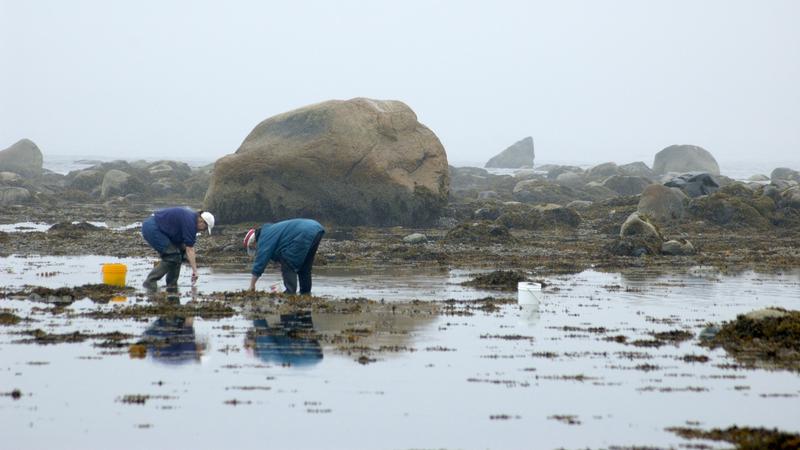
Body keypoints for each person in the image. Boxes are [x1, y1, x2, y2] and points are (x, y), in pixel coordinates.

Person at [141, 207, 214, 291]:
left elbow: (185, 246)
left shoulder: (192, 219)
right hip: (152, 228)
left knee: (178, 254)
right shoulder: (190, 221)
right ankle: (150, 281)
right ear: (201, 221)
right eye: (204, 228)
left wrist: (183, 252)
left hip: (161, 230)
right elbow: (190, 249)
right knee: (172, 256)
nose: (202, 231)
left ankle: (172, 284)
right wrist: (195, 271)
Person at [244, 218, 325, 294]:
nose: (256, 249)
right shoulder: (270, 231)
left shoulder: (264, 237)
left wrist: (252, 285)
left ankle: (290, 293)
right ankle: (305, 293)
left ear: (253, 241)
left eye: (253, 247)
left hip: (304, 232)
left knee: (288, 261)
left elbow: (260, 262)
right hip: (316, 229)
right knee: (305, 266)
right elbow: (280, 248)